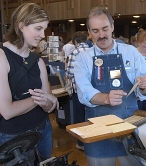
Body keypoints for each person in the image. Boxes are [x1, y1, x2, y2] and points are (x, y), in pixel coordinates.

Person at [74, 6, 146, 166]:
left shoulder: (130, 52)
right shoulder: (83, 58)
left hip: (129, 128)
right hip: (98, 131)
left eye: (105, 29)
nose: (101, 35)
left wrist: (145, 84)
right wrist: (105, 98)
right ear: (89, 31)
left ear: (112, 27)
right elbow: (84, 92)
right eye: (95, 31)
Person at [0, 3, 58, 159]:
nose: (43, 35)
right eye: (38, 28)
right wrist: (40, 99)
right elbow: (7, 111)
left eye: (44, 29)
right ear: (21, 26)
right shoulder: (2, 57)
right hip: (14, 137)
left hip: (44, 129)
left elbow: (48, 107)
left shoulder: (37, 60)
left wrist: (47, 101)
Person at [65, 31, 90, 151]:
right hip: (92, 91)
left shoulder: (74, 52)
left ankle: (81, 143)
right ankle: (91, 141)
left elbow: (70, 73)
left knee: (80, 117)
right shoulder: (93, 49)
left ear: (75, 41)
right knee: (90, 116)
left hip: (78, 90)